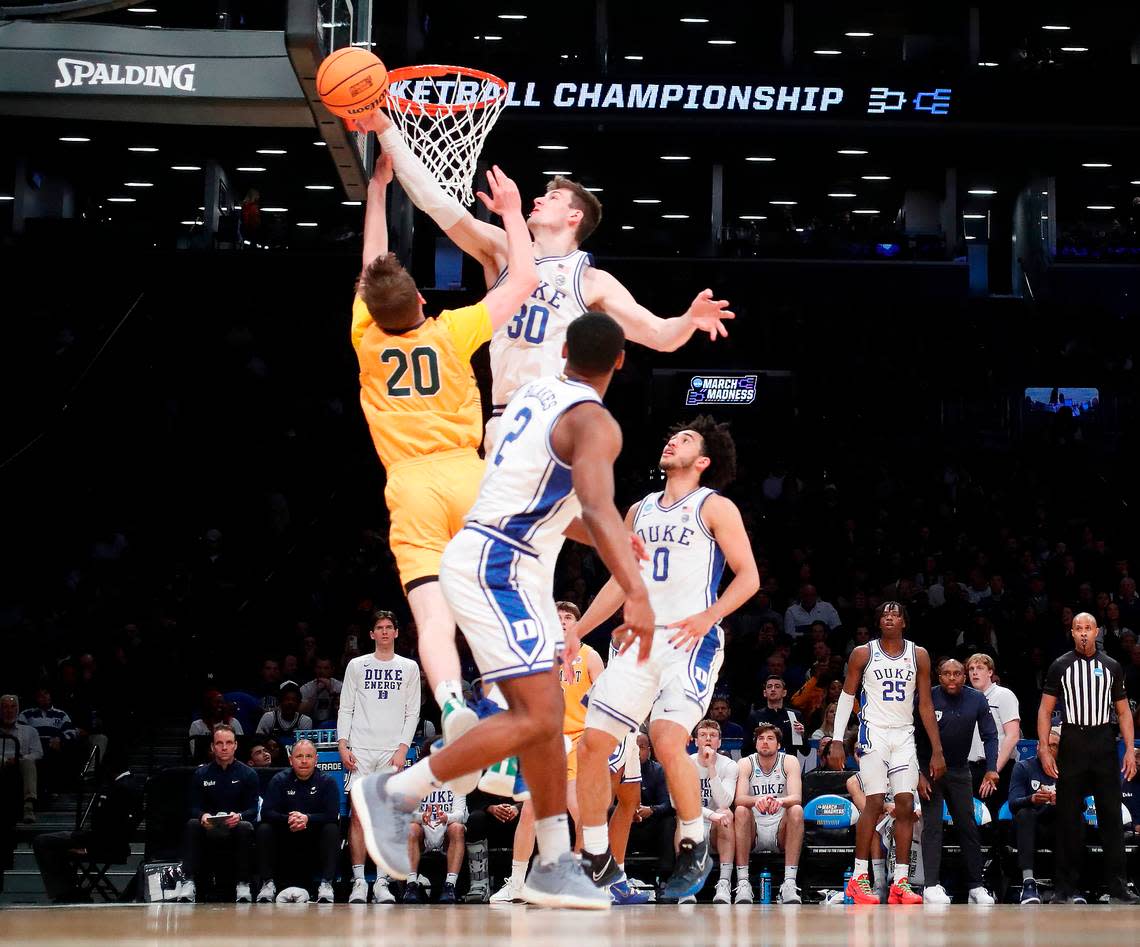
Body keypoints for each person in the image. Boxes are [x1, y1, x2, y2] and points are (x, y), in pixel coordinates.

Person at [352, 312, 651, 909]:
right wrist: (636, 591)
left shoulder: (535, 394)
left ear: (564, 349)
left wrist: (610, 535)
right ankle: (396, 791)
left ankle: (552, 861)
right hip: (500, 566)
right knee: (540, 715)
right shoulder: (594, 421)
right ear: (620, 361)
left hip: (507, 561)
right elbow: (593, 505)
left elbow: (554, 505)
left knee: (539, 713)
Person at [355, 111, 733, 453]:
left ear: (574, 216)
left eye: (551, 197)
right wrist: (386, 130)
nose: (538, 198)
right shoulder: (504, 249)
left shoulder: (591, 280)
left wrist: (688, 319)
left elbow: (659, 336)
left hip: (550, 412)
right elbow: (436, 204)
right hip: (502, 418)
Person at [350, 151, 539, 767]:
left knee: (432, 615)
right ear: (422, 304)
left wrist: (376, 191)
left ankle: (454, 704)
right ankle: (512, 717)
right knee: (496, 602)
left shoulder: (366, 335)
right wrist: (512, 217)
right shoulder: (452, 330)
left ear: (372, 312)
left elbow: (369, 265)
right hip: (469, 473)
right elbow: (524, 281)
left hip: (410, 487)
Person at [572, 415, 760, 902]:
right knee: (593, 744)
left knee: (666, 736)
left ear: (702, 461)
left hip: (688, 640)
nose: (671, 440)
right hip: (638, 641)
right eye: (671, 435)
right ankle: (595, 857)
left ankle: (695, 841)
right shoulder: (638, 511)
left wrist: (709, 616)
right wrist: (578, 631)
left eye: (685, 438)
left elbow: (748, 577)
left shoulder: (713, 506)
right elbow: (620, 581)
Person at [488, 602, 604, 903]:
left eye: (569, 617)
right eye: (558, 617)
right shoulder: (536, 655)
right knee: (529, 812)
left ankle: (584, 880)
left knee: (578, 809)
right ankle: (516, 884)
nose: (563, 621)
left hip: (579, 740)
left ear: (578, 623)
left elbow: (605, 699)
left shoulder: (589, 655)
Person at [833, 601, 945, 905]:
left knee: (906, 806)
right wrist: (835, 739)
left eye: (896, 614)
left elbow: (925, 704)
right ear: (878, 622)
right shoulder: (863, 653)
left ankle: (901, 882)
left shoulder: (918, 654)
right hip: (874, 733)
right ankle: (859, 878)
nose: (890, 618)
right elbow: (846, 696)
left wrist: (936, 750)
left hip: (904, 734)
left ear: (904, 622)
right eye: (884, 614)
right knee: (873, 801)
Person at [1036, 612, 1138, 903]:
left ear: (1097, 632)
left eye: (1088, 628)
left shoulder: (1112, 666)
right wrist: (1044, 747)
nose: (1083, 633)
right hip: (1073, 740)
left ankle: (1118, 887)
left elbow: (1123, 712)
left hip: (1104, 741)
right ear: (1071, 633)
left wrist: (1129, 749)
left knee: (1111, 816)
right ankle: (1065, 887)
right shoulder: (1060, 665)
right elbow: (1044, 710)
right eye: (1078, 628)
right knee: (1068, 816)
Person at [338, 609, 421, 904]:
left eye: (389, 627)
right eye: (379, 628)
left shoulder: (409, 667)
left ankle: (382, 882)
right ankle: (359, 882)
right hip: (359, 749)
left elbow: (413, 712)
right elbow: (345, 707)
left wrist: (402, 748)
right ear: (371, 634)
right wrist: (342, 743)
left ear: (396, 632)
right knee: (359, 815)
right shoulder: (357, 666)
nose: (385, 632)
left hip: (391, 751)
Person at [916, 659, 998, 904]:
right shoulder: (927, 698)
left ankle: (976, 886)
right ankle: (931, 886)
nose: (952, 678)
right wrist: (917, 774)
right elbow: (910, 735)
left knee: (968, 826)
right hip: (929, 771)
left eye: (957, 674)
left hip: (961, 771)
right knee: (932, 826)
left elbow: (991, 735)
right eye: (947, 674)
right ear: (938, 677)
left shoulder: (977, 699)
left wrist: (992, 768)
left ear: (964, 676)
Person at [32, 749, 142, 903]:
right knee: (50, 844)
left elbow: (119, 829)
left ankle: (67, 892)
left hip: (102, 843)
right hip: (95, 838)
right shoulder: (122, 785)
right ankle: (70, 890)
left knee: (42, 842)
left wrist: (90, 849)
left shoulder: (123, 788)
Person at [176, 723, 258, 903]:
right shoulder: (201, 774)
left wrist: (240, 816)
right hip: (209, 826)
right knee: (192, 824)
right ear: (213, 747)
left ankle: (243, 884)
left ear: (236, 745)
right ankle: (188, 882)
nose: (224, 747)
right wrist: (202, 816)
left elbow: (253, 809)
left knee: (245, 826)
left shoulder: (248, 774)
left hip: (235, 825)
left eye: (229, 742)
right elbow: (193, 807)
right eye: (219, 743)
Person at [256, 739, 340, 904]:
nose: (303, 760)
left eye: (308, 756)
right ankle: (267, 884)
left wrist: (307, 819)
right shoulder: (279, 780)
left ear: (316, 759)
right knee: (264, 828)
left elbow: (332, 814)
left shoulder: (327, 782)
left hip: (314, 838)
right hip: (285, 836)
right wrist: (289, 819)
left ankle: (326, 884)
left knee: (332, 828)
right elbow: (266, 813)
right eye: (299, 756)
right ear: (290, 760)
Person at [733, 723, 805, 904]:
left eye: (770, 738)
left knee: (796, 810)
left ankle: (789, 883)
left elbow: (796, 797)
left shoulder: (789, 761)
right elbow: (739, 799)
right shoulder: (745, 763)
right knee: (741, 810)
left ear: (779, 744)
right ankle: (743, 883)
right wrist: (757, 801)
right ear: (756, 743)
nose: (765, 742)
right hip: (753, 829)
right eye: (761, 738)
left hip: (780, 827)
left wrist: (780, 801)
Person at [1008, 726, 1060, 904]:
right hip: (1029, 828)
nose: (1048, 749)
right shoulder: (1023, 767)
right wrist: (1032, 798)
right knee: (1025, 813)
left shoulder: (1067, 771)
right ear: (1038, 747)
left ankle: (1068, 886)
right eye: (1045, 744)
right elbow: (1013, 803)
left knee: (1073, 817)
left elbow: (1083, 805)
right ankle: (1028, 884)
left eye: (1053, 745)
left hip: (1054, 828)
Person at [689, 719, 739, 904]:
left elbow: (724, 801)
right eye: (703, 735)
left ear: (719, 742)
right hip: (693, 822)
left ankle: (724, 883)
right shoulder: (685, 764)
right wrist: (711, 815)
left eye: (713, 736)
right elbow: (681, 804)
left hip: (718, 827)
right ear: (695, 741)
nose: (708, 739)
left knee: (727, 813)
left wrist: (711, 768)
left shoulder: (729, 766)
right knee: (683, 817)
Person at [966, 653, 1021, 815]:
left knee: (995, 819)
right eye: (971, 669)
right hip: (972, 767)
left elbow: (1012, 736)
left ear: (990, 672)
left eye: (980, 668)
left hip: (999, 767)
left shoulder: (1004, 695)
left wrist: (993, 770)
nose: (974, 672)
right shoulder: (967, 699)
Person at [404, 785, 468, 904]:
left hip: (446, 834)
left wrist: (446, 817)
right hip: (423, 833)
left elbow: (460, 815)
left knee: (458, 828)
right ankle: (411, 885)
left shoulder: (458, 781)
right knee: (411, 828)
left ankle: (450, 886)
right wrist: (421, 817)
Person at [0, 695, 42, 823]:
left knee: (29, 762)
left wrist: (20, 759)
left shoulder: (30, 731)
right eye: (5, 707)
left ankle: (28, 806)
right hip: (1, 761)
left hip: (21, 761)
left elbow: (38, 752)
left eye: (13, 707)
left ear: (17, 709)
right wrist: (5, 760)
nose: (9, 710)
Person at [747, 676, 806, 756]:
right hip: (763, 765)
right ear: (765, 693)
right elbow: (745, 750)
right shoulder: (755, 716)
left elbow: (805, 751)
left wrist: (802, 735)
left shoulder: (795, 716)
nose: (773, 689)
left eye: (777, 686)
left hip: (788, 764)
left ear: (784, 693)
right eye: (769, 686)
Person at [299, 657, 343, 725]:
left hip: (334, 723)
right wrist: (316, 692)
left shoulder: (340, 687)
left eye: (326, 668)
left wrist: (331, 692)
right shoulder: (306, 688)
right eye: (319, 668)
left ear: (332, 670)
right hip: (311, 724)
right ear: (315, 669)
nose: (322, 671)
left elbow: (344, 711)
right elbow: (300, 713)